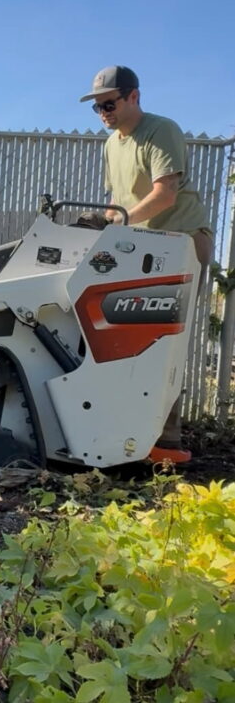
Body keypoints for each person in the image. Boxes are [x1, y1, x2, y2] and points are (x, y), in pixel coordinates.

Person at [79, 65, 213, 462]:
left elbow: (165, 195)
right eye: (97, 107)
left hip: (181, 242)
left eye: (109, 103)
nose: (104, 112)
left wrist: (119, 221)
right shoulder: (111, 145)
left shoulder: (160, 130)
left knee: (163, 338)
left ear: (133, 97)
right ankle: (122, 430)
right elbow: (115, 200)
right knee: (120, 332)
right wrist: (103, 224)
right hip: (139, 245)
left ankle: (165, 443)